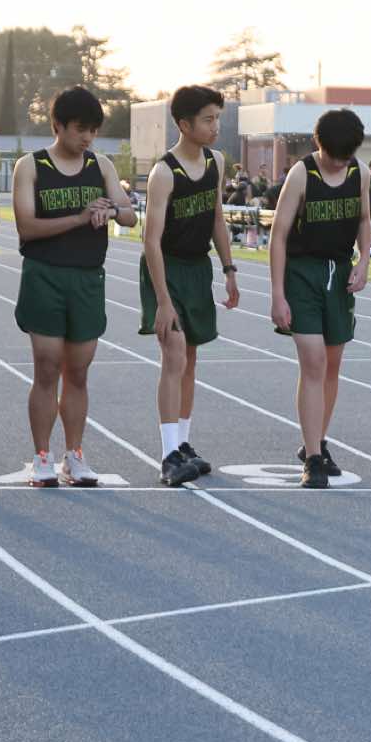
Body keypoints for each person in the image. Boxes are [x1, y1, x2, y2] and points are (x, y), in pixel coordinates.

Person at [13, 87, 137, 488]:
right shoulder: (30, 166)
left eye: (93, 130)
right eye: (80, 129)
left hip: (87, 277)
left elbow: (130, 215)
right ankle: (42, 456)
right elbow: (27, 227)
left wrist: (111, 209)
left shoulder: (101, 165)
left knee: (78, 372)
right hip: (45, 275)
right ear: (58, 125)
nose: (88, 138)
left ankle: (75, 455)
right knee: (47, 367)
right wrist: (80, 218)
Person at [142, 86, 241, 487]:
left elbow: (216, 217)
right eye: (208, 119)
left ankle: (183, 443)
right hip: (167, 268)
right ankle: (168, 455)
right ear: (184, 124)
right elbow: (151, 241)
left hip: (198, 267)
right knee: (174, 355)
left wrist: (229, 269)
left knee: (190, 359)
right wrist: (163, 300)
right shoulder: (164, 173)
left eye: (218, 118)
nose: (216, 127)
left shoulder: (216, 161)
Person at [271, 109, 371, 481]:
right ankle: (313, 459)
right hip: (303, 273)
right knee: (313, 363)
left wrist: (364, 260)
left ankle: (317, 440)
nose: (340, 163)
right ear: (319, 145)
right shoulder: (302, 174)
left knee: (332, 365)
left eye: (347, 156)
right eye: (335, 156)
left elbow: (364, 218)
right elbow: (278, 236)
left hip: (339, 273)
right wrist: (278, 294)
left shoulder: (359, 172)